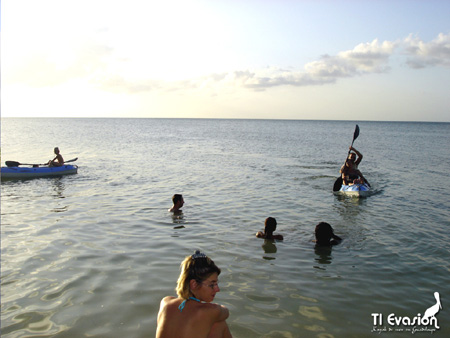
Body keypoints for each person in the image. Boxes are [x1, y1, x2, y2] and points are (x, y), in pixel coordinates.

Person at [156, 251, 232, 338]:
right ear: (194, 284)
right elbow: (226, 312)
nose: (217, 289)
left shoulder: (165, 302)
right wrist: (216, 308)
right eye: (212, 284)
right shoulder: (210, 311)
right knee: (219, 324)